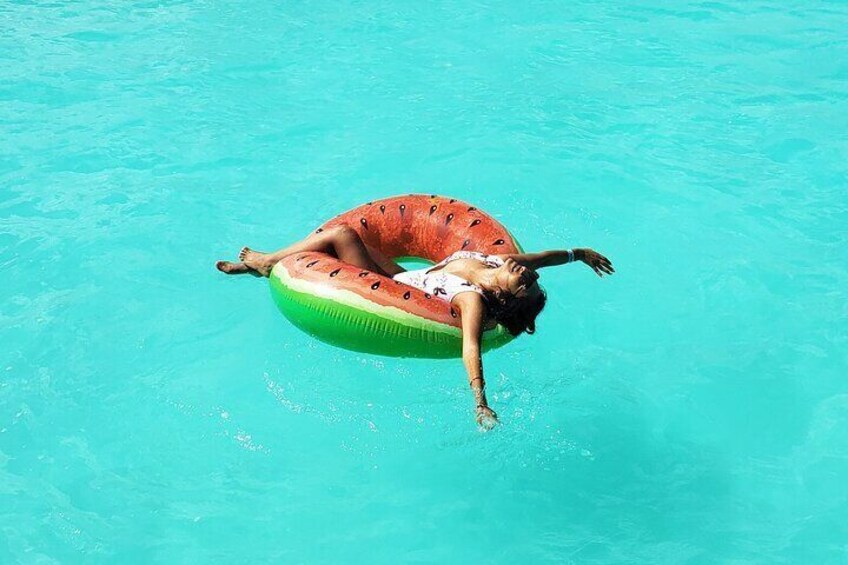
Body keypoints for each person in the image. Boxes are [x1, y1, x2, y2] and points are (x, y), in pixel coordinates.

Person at [216, 225, 614, 429]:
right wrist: (580, 254)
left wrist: (480, 402)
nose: (525, 273)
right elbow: (544, 258)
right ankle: (266, 266)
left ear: (508, 300)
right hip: (409, 276)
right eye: (531, 276)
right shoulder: (503, 264)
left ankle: (266, 264)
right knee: (349, 239)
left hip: (394, 288)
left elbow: (470, 347)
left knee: (341, 236)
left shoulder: (471, 299)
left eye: (525, 283)